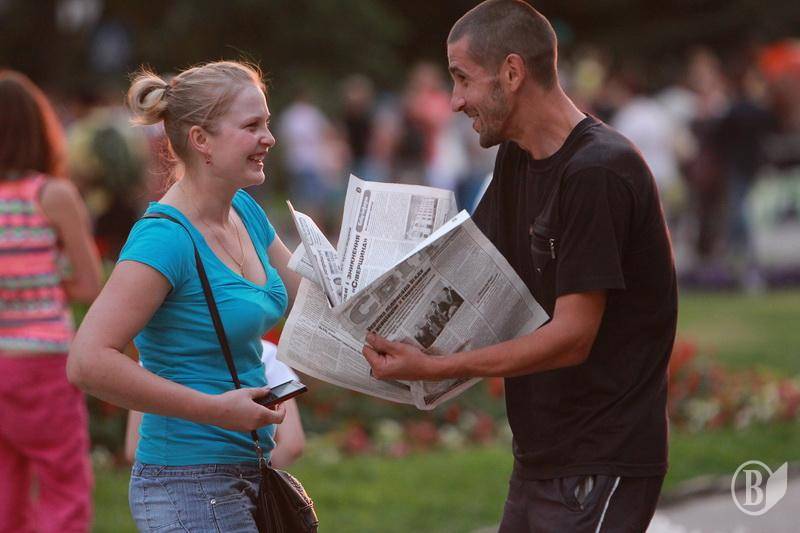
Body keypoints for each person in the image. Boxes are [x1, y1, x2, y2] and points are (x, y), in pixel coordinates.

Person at [361, 2, 677, 531]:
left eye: (462, 78)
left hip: (601, 459)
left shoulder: (598, 171)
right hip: (540, 459)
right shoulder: (517, 157)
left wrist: (436, 368)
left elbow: (573, 337)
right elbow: (468, 270)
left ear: (512, 72)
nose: (455, 101)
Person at [67, 61, 303, 532]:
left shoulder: (244, 210)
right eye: (252, 126)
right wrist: (214, 409)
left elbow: (313, 300)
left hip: (247, 471)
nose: (269, 138)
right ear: (201, 140)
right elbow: (86, 362)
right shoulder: (164, 238)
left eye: (267, 123)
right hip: (186, 484)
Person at [0, 70, 102, 532]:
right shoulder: (52, 195)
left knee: (5, 485)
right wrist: (46, 284)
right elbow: (89, 284)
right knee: (63, 480)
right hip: (42, 359)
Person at [124, 340, 306, 468]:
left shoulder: (155, 359)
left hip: (168, 485)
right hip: (245, 481)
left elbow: (133, 449)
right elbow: (292, 444)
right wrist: (260, 475)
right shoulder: (265, 353)